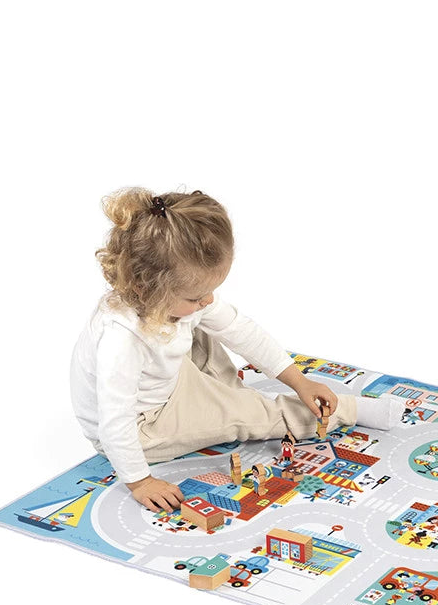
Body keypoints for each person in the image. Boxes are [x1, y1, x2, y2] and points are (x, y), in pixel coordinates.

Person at [70, 188, 403, 511]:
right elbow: (115, 422)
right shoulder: (121, 340)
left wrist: (299, 382)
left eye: (211, 290)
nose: (208, 300)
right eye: (196, 296)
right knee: (247, 413)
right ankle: (346, 410)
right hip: (143, 427)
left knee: (205, 326)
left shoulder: (166, 299)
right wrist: (140, 482)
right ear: (147, 288)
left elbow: (240, 331)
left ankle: (228, 398)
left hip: (160, 385)